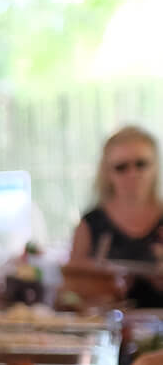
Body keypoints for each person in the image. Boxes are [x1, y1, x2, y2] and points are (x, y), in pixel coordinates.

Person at [66, 125, 163, 306]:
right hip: (106, 320)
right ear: (107, 172)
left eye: (141, 164)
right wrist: (98, 287)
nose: (133, 174)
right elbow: (70, 292)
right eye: (121, 167)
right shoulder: (91, 224)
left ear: (155, 166)